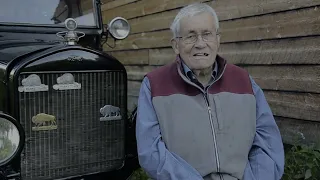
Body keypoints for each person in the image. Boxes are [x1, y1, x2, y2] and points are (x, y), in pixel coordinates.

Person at [135, 2, 284, 180]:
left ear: (217, 39)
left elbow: (268, 143)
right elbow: (151, 153)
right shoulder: (154, 85)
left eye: (207, 35)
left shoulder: (244, 81)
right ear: (176, 45)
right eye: (190, 36)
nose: (200, 44)